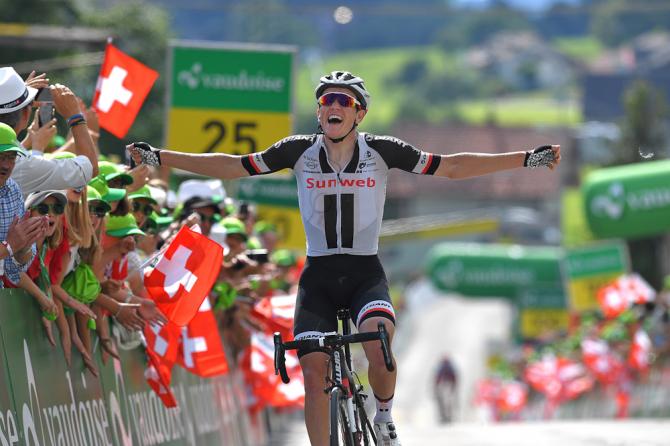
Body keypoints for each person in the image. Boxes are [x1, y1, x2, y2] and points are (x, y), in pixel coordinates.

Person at [128, 70, 561, 446]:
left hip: (363, 272)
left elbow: (451, 167)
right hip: (317, 276)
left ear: (359, 114)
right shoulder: (296, 151)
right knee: (314, 376)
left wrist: (525, 158)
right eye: (326, 100)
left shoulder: (383, 151)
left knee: (378, 340)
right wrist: (161, 157)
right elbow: (232, 165)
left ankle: (385, 415)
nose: (333, 106)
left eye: (343, 101)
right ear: (319, 112)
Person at [0, 67, 98, 197]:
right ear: (25, 115)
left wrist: (13, 93)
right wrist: (75, 116)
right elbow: (90, 168)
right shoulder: (24, 164)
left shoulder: (21, 162)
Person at [0, 122, 45, 289]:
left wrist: (25, 243)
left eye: (11, 157)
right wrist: (10, 245)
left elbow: (15, 269)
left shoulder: (12, 190)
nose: (6, 165)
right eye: (0, 156)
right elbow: (9, 248)